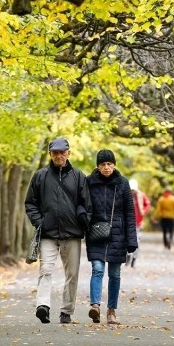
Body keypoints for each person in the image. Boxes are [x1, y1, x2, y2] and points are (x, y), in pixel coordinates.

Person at [24, 137, 91, 325]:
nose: (59, 156)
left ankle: (66, 311)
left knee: (72, 274)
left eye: (62, 152)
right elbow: (30, 203)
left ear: (69, 153)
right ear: (50, 154)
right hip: (47, 234)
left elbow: (86, 203)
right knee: (45, 270)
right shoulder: (40, 176)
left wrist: (83, 218)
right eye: (55, 153)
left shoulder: (79, 176)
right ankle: (42, 307)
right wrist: (40, 222)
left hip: (72, 234)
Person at [85, 149, 137, 325]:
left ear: (114, 165)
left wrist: (132, 240)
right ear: (98, 166)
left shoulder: (122, 183)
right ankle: (95, 306)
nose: (106, 167)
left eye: (109, 164)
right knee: (97, 269)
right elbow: (83, 207)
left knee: (114, 274)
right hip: (96, 233)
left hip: (118, 235)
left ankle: (111, 311)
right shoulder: (89, 182)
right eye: (102, 164)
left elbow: (130, 213)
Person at [126, 179, 151, 268]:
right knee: (127, 240)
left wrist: (144, 211)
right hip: (127, 221)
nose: (132, 191)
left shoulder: (141, 195)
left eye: (133, 190)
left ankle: (134, 259)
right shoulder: (125, 195)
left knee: (136, 241)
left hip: (137, 222)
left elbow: (148, 204)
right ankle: (128, 256)